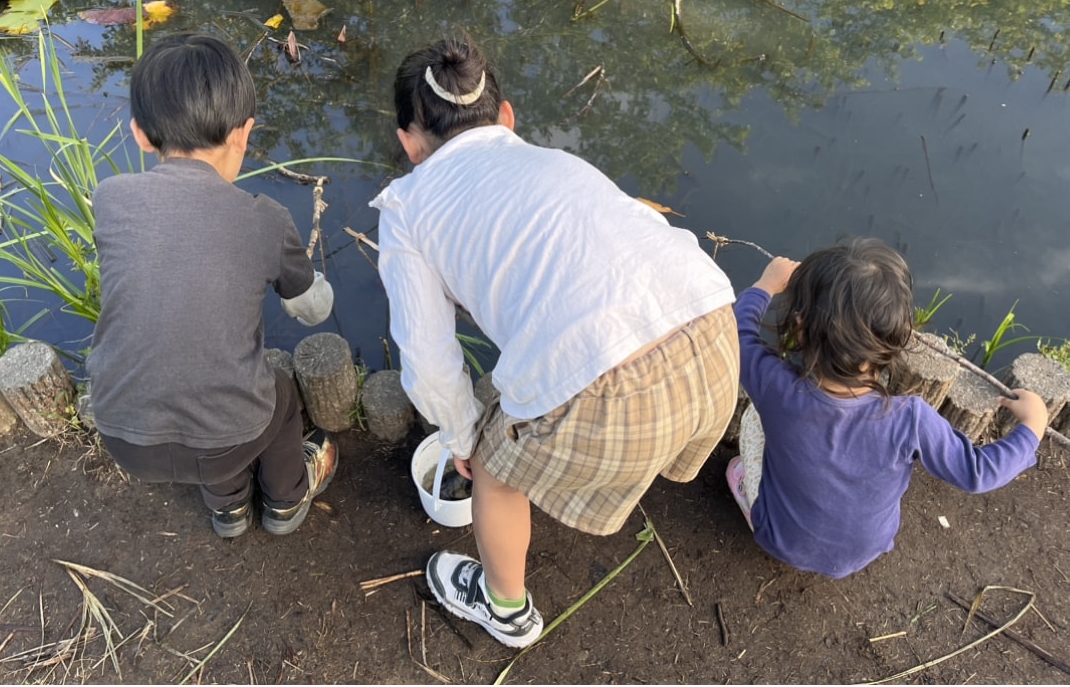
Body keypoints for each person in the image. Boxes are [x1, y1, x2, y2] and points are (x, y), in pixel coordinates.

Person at [370, 36, 739, 648]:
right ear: (507, 117)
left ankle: (505, 610)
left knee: (492, 466)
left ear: (410, 143)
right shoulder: (556, 162)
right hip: (715, 339)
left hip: (618, 397)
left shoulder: (408, 208)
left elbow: (429, 363)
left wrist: (463, 436)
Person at [87, 33, 338, 539]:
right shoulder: (263, 218)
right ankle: (286, 500)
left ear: (140, 134)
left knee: (204, 398)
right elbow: (310, 310)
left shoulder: (110, 199)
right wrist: (318, 287)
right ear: (243, 134)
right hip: (228, 435)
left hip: (121, 433)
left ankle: (229, 512)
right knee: (281, 394)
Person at [728, 239, 1047, 578]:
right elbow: (978, 473)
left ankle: (751, 496)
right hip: (865, 549)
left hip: (781, 540)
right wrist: (1033, 428)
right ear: (895, 337)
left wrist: (766, 285)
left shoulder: (775, 386)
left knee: (754, 419)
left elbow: (740, 332)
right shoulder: (910, 419)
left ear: (801, 327)